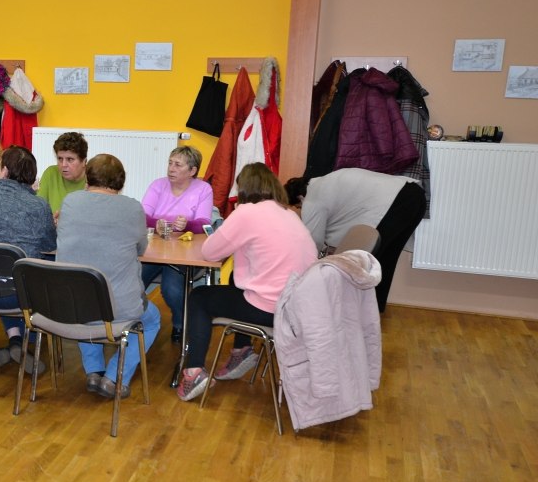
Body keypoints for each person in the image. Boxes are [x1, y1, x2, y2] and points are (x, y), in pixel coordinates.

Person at [177, 163, 316, 402]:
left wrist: (236, 219)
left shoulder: (247, 213)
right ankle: (241, 349)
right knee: (235, 277)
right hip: (298, 307)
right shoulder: (289, 213)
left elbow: (210, 252)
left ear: (244, 189)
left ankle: (193, 372)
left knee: (199, 297)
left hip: (270, 308)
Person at [57, 154, 161, 399]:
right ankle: (115, 376)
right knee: (152, 320)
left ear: (88, 176)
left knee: (86, 299)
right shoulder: (132, 208)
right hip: (118, 306)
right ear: (120, 181)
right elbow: (141, 249)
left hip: (72, 304)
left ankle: (94, 371)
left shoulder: (71, 201)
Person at [284, 168, 426, 312]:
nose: (301, 209)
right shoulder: (325, 182)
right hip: (415, 194)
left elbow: (313, 242)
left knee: (368, 263)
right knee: (386, 259)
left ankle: (360, 311)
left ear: (300, 197)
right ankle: (374, 309)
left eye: (298, 206)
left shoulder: (312, 198)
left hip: (398, 200)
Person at [0, 146, 57, 370]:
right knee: (39, 266)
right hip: (18, 295)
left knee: (4, 269)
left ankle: (15, 340)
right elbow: (50, 245)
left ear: (4, 170)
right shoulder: (39, 205)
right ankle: (30, 339)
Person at [139, 146, 214, 342]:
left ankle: (181, 323)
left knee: (171, 288)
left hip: (184, 252)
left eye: (178, 165)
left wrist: (187, 225)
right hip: (154, 250)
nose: (171, 168)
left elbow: (204, 224)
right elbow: (141, 215)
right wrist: (156, 224)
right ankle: (133, 319)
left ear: (192, 170)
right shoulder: (158, 185)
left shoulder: (203, 189)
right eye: (170, 163)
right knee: (134, 280)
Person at [36, 131, 88, 217]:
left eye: (70, 159)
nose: (63, 165)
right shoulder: (51, 173)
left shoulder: (94, 179)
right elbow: (38, 210)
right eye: (60, 159)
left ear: (84, 162)